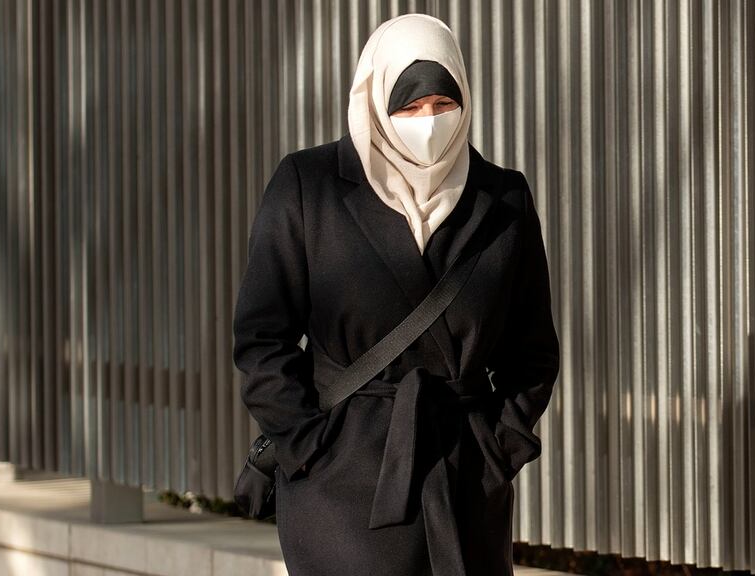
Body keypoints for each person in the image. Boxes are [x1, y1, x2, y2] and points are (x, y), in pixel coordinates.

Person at [232, 13, 560, 576]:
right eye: (408, 106)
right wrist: (307, 445)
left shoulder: (503, 198)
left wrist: (498, 448)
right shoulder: (310, 185)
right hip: (340, 488)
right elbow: (262, 337)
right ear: (376, 101)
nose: (428, 122)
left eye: (443, 103)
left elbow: (533, 350)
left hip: (464, 481)